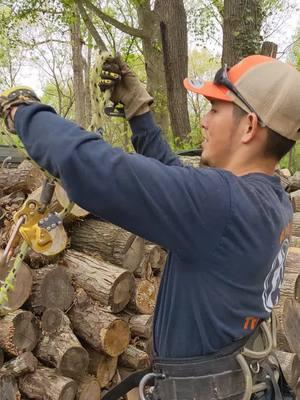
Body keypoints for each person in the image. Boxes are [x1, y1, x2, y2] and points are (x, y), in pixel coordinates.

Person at [0, 54, 299, 400]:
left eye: (215, 109)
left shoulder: (225, 205)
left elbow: (92, 168)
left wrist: (21, 111)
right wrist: (139, 112)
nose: (204, 121)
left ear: (248, 126)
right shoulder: (268, 199)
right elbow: (179, 186)